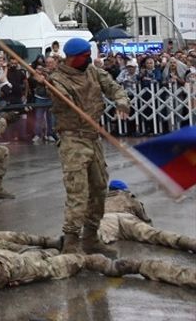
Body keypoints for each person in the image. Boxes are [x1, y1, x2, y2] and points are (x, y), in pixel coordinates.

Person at [34, 37, 129, 255]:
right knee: (78, 191)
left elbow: (113, 87)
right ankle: (70, 241)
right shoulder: (57, 80)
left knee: (98, 188)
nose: (88, 61)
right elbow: (58, 96)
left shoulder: (94, 72)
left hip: (93, 137)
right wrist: (43, 82)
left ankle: (90, 237)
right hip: (72, 139)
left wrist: (122, 103)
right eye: (85, 58)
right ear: (73, 58)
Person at [98, 179, 196, 253]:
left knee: (96, 238)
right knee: (156, 235)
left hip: (107, 219)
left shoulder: (102, 200)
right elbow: (144, 218)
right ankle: (189, 243)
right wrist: (148, 228)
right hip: (128, 219)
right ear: (123, 190)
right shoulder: (128, 197)